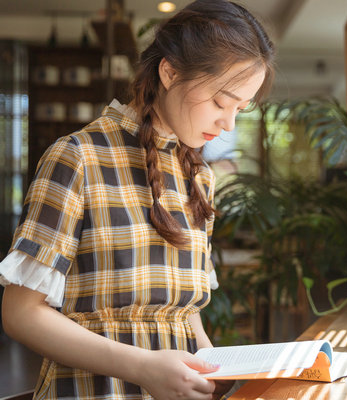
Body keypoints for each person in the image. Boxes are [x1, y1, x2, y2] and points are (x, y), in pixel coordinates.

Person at [0, 0, 274, 398]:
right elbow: (20, 315)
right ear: (170, 71)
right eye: (220, 101)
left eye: (241, 109)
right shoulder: (78, 157)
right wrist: (143, 367)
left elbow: (184, 314)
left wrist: (211, 366)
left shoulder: (199, 177)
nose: (228, 123)